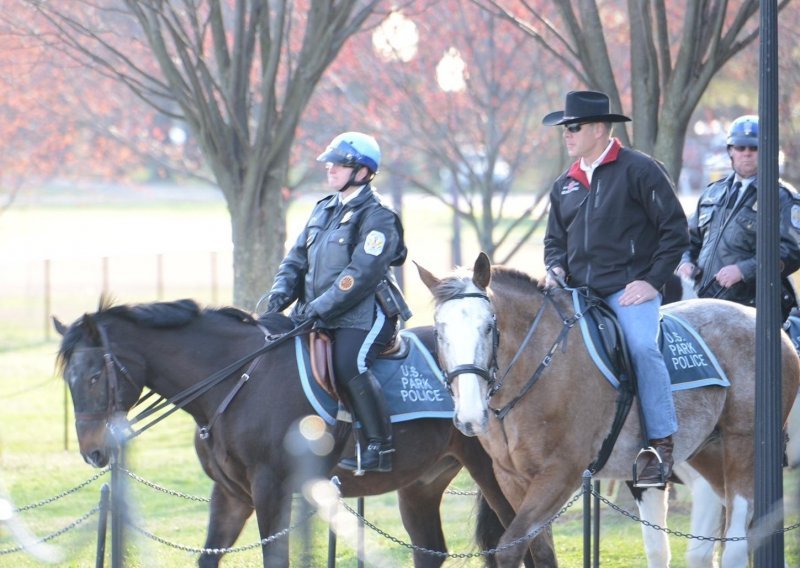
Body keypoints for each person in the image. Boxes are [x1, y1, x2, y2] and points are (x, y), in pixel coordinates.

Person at [541, 90, 690, 487]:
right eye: (564, 129)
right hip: (576, 296)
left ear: (597, 128)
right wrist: (554, 267)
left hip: (628, 291)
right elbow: (553, 241)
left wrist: (651, 280)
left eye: (572, 128)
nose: (566, 135)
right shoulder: (564, 185)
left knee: (642, 347)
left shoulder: (640, 169)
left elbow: (675, 232)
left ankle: (660, 445)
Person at [260, 132, 411, 474]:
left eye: (339, 164)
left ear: (362, 171)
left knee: (349, 364)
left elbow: (360, 274)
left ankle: (378, 445)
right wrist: (279, 295)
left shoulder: (379, 216)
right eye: (330, 162)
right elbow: (296, 259)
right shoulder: (324, 208)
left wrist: (318, 309)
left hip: (365, 314)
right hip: (317, 311)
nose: (330, 169)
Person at [677, 115, 800, 320]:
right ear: (730, 151)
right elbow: (689, 240)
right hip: (704, 303)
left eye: (754, 148)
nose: (747, 154)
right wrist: (684, 262)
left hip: (755, 309)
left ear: (766, 151)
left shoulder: (782, 197)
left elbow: (791, 251)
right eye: (740, 148)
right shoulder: (712, 193)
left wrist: (743, 270)